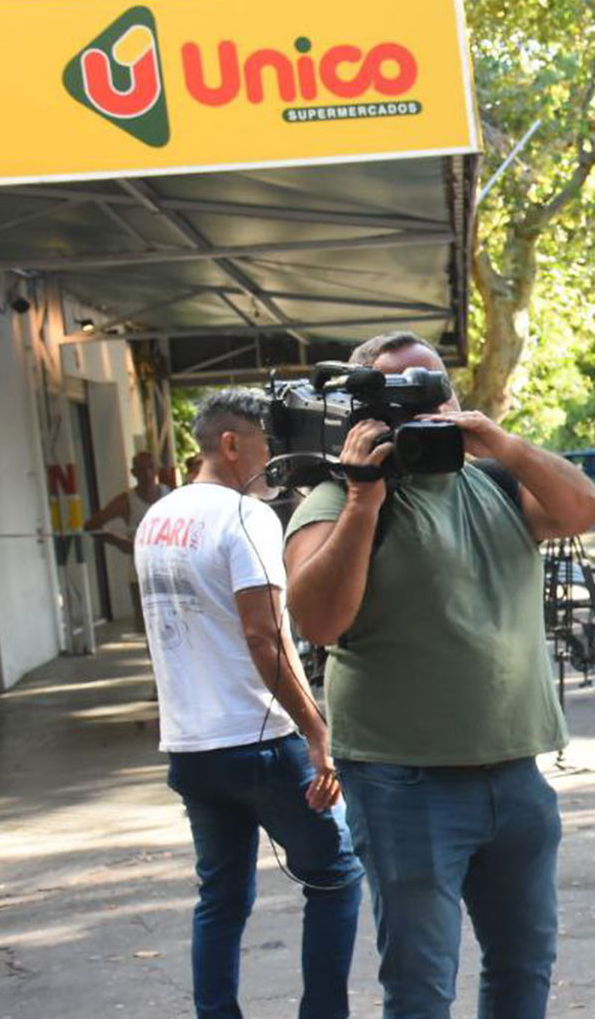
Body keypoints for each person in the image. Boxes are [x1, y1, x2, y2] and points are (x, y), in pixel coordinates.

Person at [283, 331, 595, 1018]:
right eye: (401, 389)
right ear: (367, 410)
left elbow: (585, 510)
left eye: (434, 385)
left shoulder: (495, 485)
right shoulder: (334, 501)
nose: (424, 402)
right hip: (406, 784)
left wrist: (509, 446)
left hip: (516, 775)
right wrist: (365, 497)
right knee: (422, 989)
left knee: (524, 971)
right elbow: (318, 621)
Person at [135, 391, 362, 1019]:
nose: (277, 461)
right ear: (232, 444)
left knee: (223, 897)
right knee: (337, 876)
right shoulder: (245, 517)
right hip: (258, 740)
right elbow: (265, 636)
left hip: (189, 745)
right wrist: (317, 731)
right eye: (268, 446)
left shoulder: (156, 519)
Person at [85, 447, 173, 623]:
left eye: (150, 467)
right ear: (133, 472)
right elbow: (92, 526)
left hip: (172, 569)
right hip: (141, 573)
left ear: (157, 469)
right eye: (141, 469)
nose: (147, 474)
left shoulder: (170, 494)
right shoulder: (127, 501)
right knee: (149, 627)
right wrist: (122, 543)